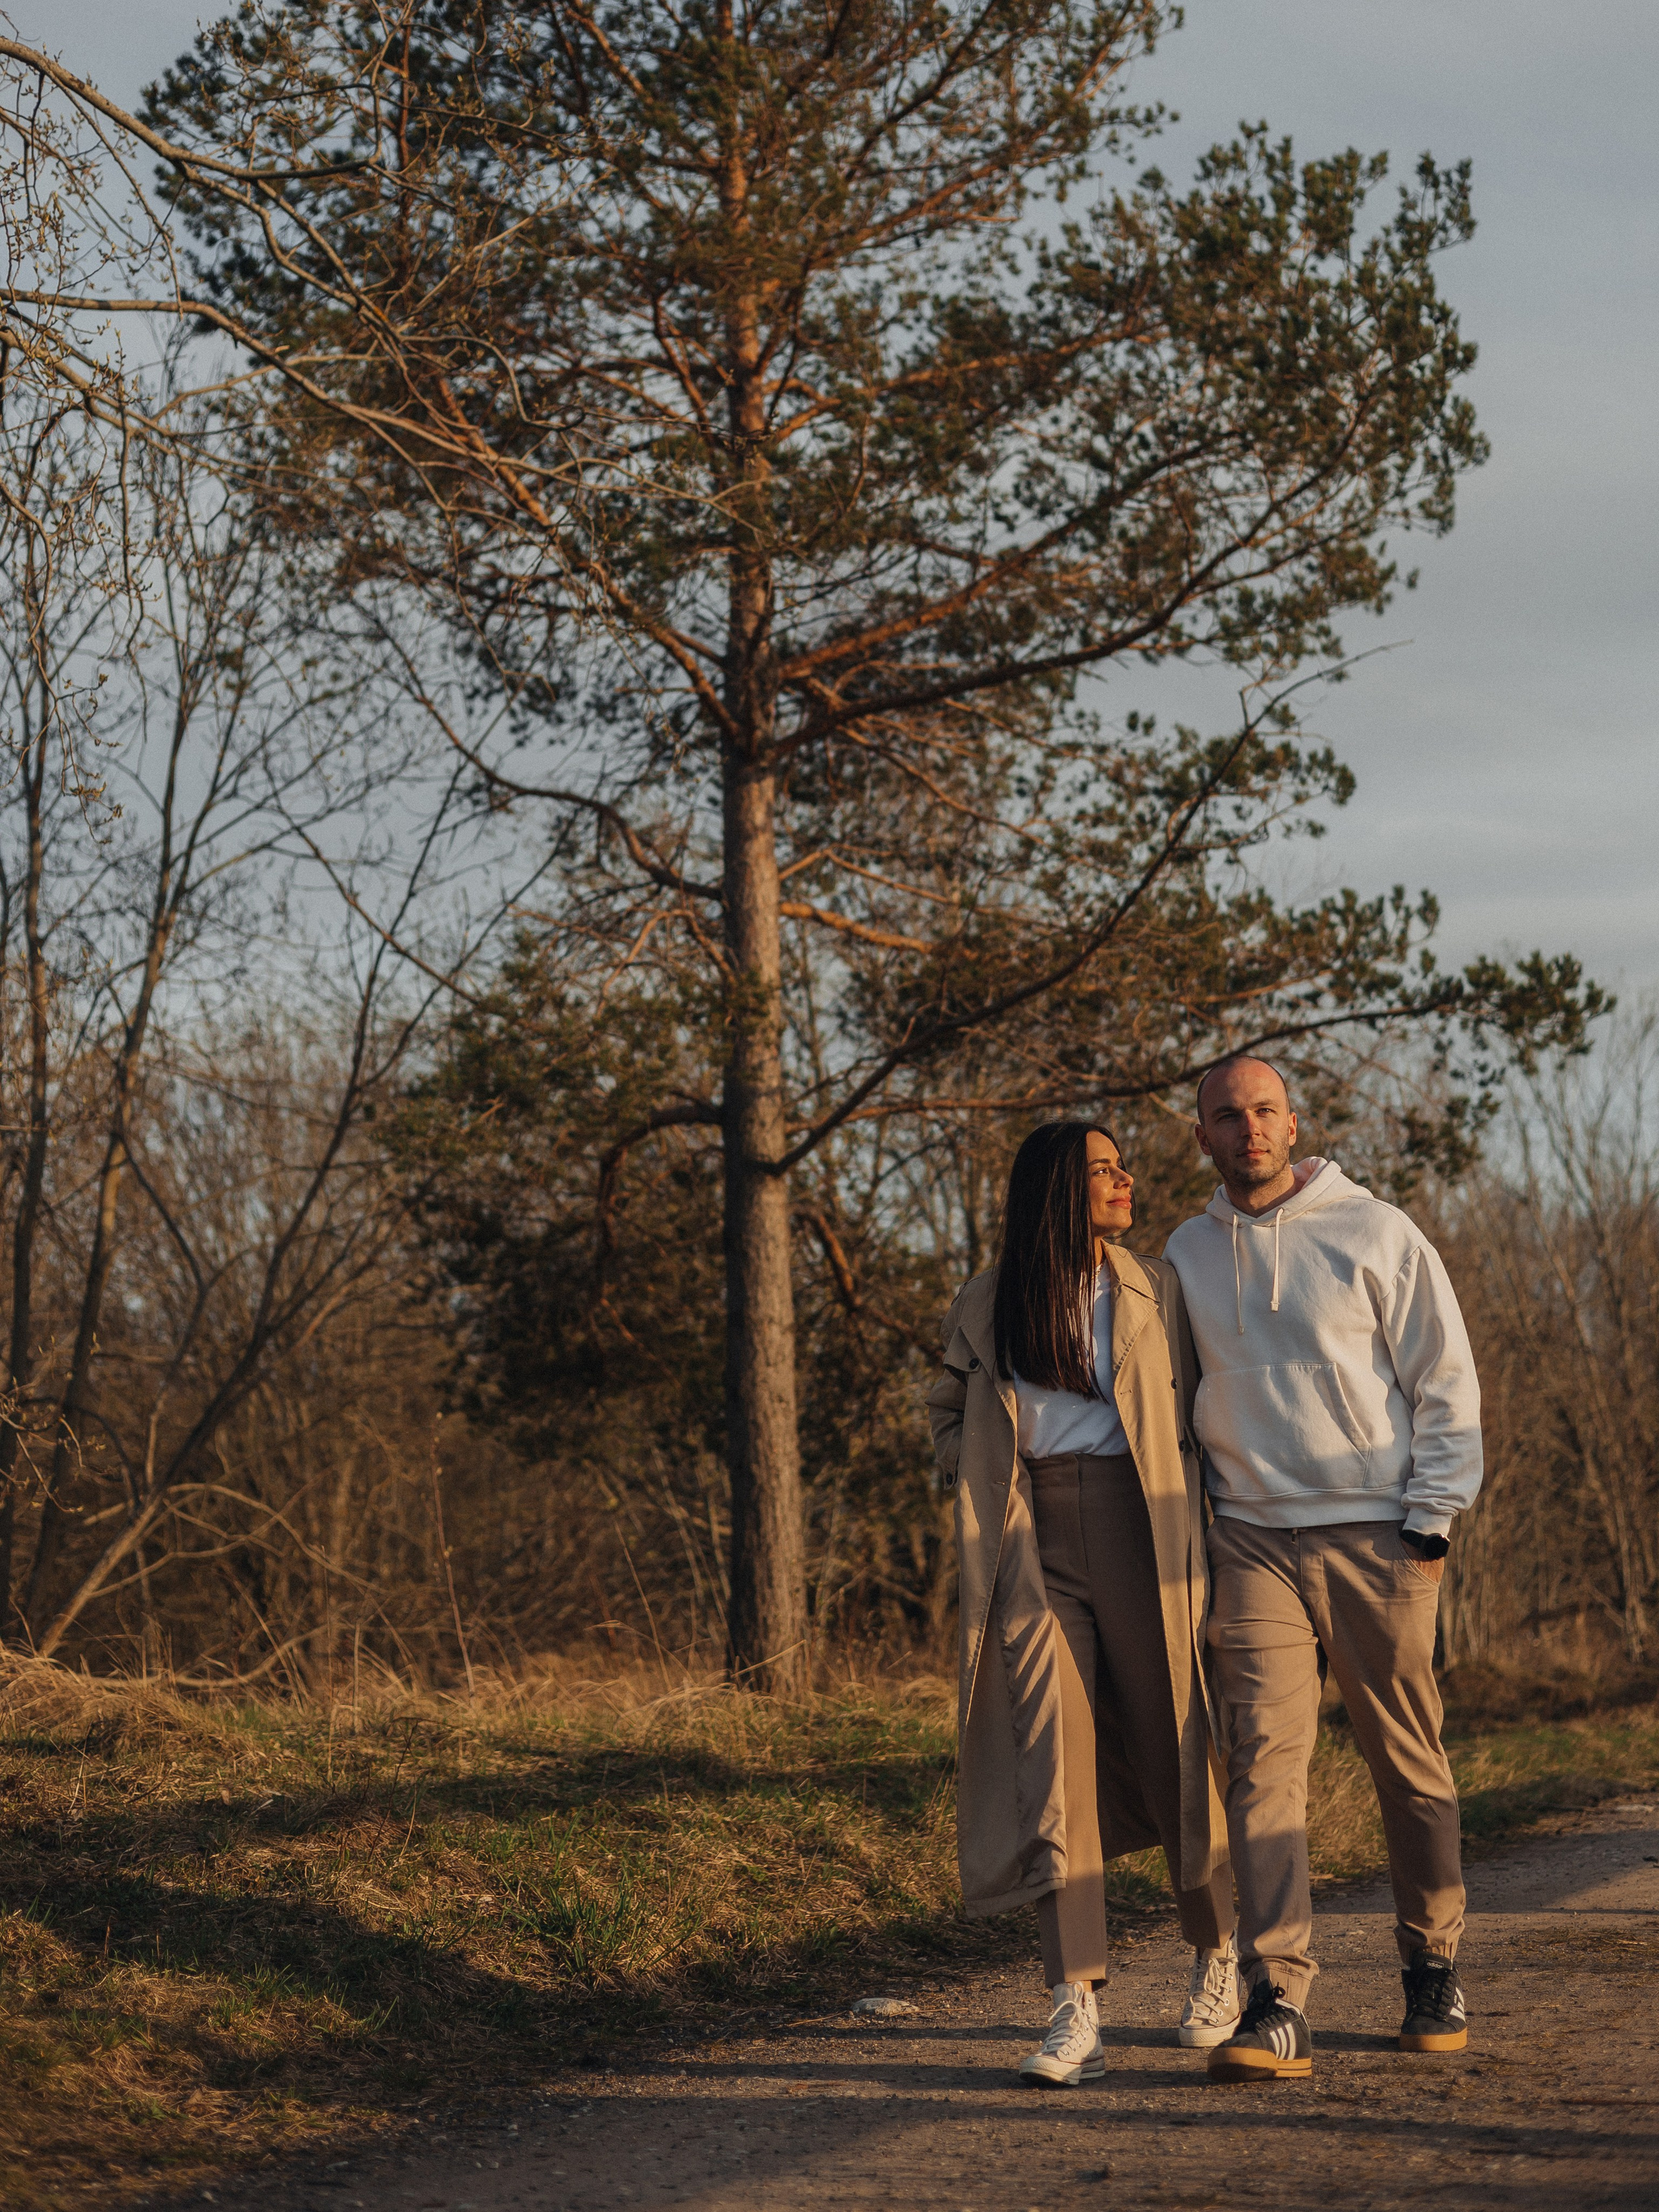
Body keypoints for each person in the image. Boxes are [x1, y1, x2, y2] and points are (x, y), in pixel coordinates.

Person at [1164, 1057, 1481, 2084]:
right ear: (1202, 1135)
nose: (1248, 1128)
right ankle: (1277, 1996)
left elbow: (1445, 1379)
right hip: (1250, 1538)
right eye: (1227, 1115)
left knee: (1408, 1760)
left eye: (1264, 1111)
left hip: (1375, 1533)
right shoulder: (1184, 1254)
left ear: (1292, 1122)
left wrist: (1428, 1524)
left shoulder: (1376, 1231)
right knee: (1260, 1767)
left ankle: (1432, 1963)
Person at [927, 1121, 1238, 2088]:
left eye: (1121, 1168)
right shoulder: (989, 1298)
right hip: (1029, 1541)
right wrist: (967, 1473)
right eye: (1103, 1170)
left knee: (1172, 1735)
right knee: (1048, 1764)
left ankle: (1219, 1953)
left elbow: (1204, 1401)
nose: (1124, 1181)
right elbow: (947, 1409)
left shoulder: (1155, 1287)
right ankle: (1076, 2007)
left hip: (1143, 1523)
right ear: (1059, 1188)